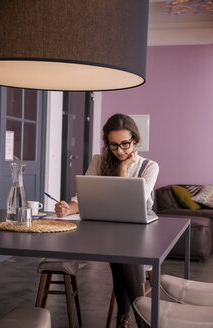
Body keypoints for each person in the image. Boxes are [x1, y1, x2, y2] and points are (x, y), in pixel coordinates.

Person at [55, 113, 159, 328]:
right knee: (119, 250)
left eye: (125, 144)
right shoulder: (99, 161)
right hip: (107, 233)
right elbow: (83, 199)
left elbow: (128, 204)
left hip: (140, 234)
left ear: (135, 141)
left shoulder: (149, 166)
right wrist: (67, 209)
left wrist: (122, 169)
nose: (120, 151)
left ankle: (127, 317)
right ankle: (136, 320)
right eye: (113, 145)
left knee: (121, 253)